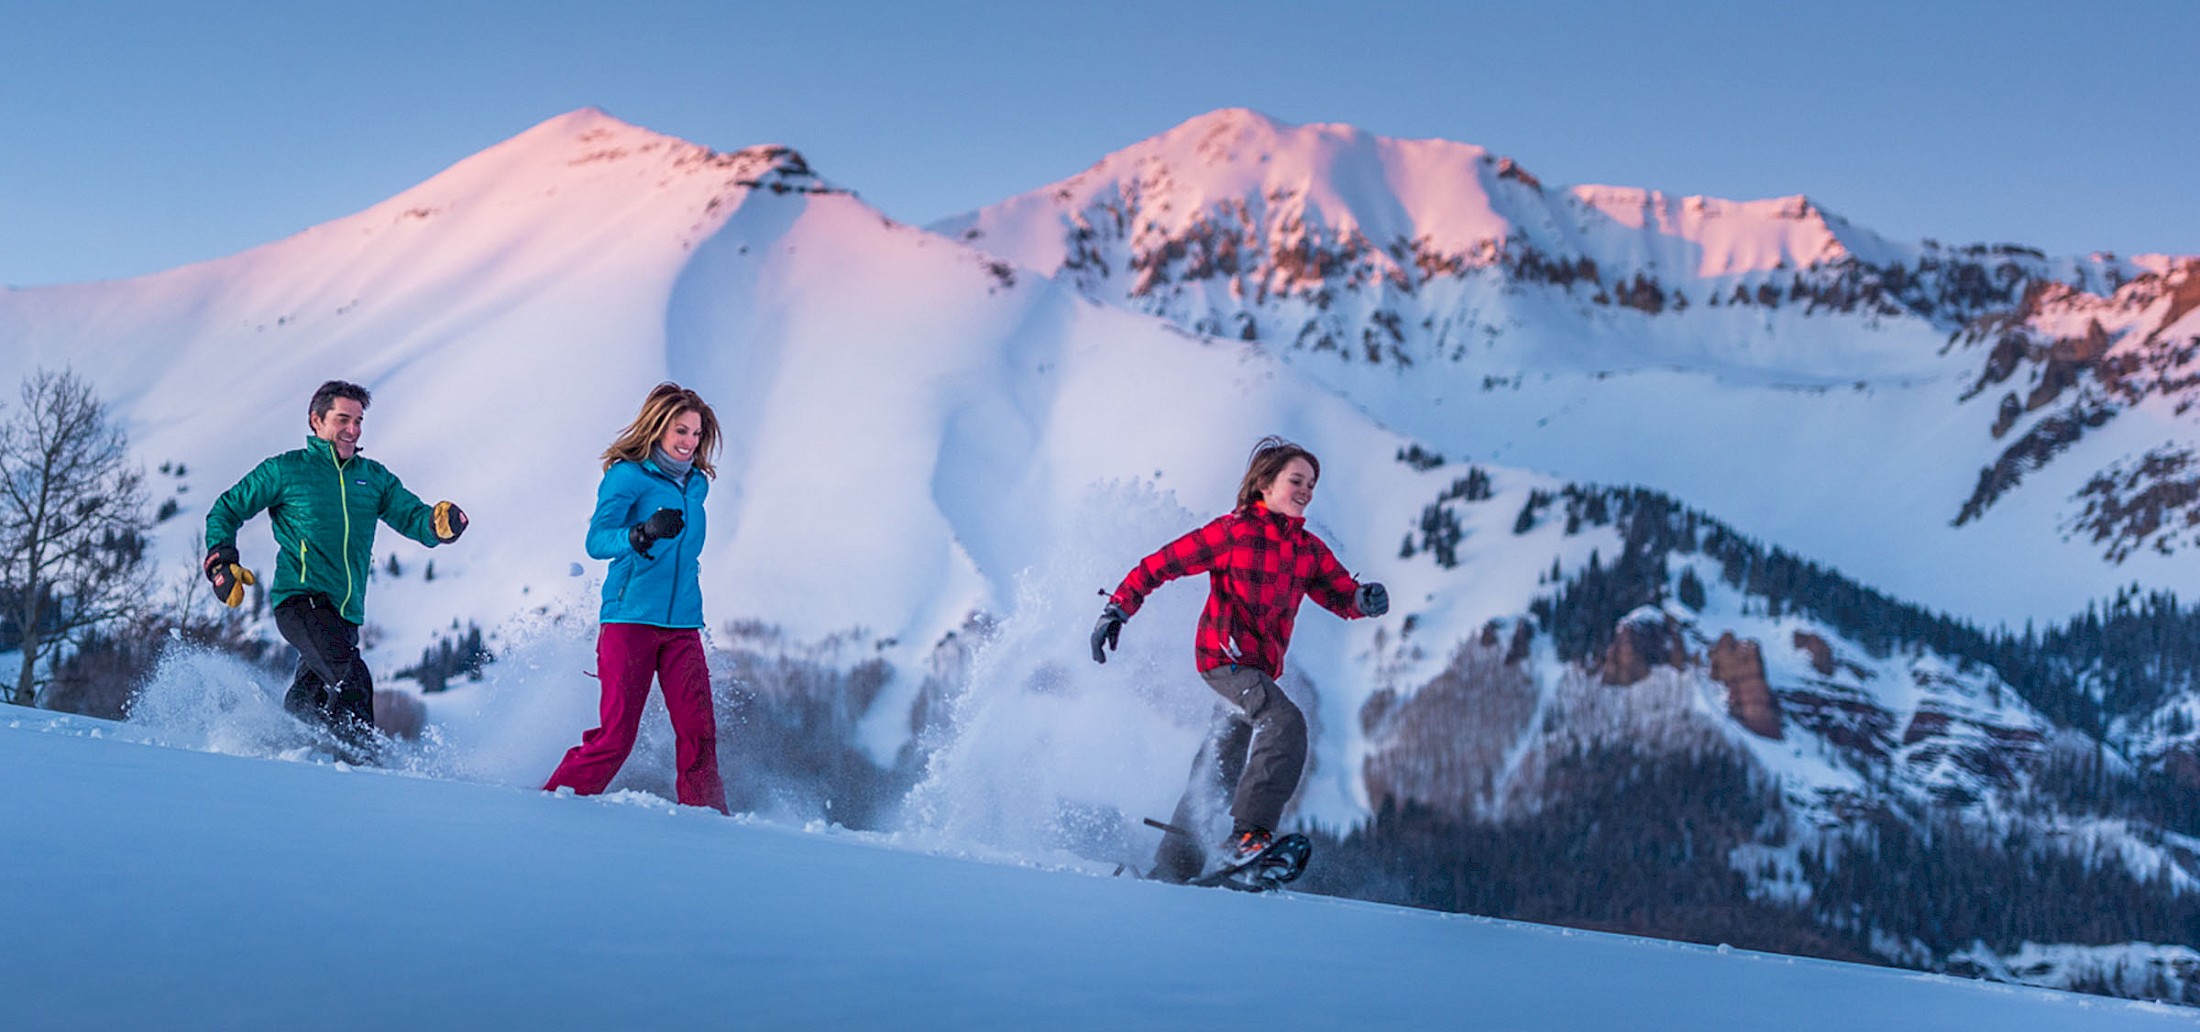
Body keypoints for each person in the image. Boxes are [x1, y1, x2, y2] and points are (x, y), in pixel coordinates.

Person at [1091, 436, 1388, 881]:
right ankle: (1249, 835)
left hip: (1257, 669)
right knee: (1284, 722)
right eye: (1297, 480)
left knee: (1220, 763)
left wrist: (1364, 600)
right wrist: (1117, 608)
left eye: (1312, 483)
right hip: (1224, 658)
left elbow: (1339, 593)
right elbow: (1161, 565)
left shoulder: (1306, 549)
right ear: (1265, 485)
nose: (1306, 490)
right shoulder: (1233, 531)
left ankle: (1173, 866)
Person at [203, 380, 468, 761]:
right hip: (300, 600)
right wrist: (221, 560)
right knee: (352, 678)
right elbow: (227, 508)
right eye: (343, 419)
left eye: (359, 420)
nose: (354, 429)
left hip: (345, 613)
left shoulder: (372, 478)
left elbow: (413, 516)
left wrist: (437, 524)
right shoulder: (286, 471)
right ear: (316, 420)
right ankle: (364, 764)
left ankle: (282, 756)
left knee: (308, 700)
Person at [543, 382, 729, 814]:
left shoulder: (696, 485)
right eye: (680, 431)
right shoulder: (628, 476)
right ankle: (551, 808)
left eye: (697, 434)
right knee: (616, 739)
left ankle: (709, 825)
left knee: (699, 733)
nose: (689, 442)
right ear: (659, 428)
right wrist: (641, 533)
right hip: (630, 620)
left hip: (682, 624)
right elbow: (596, 541)